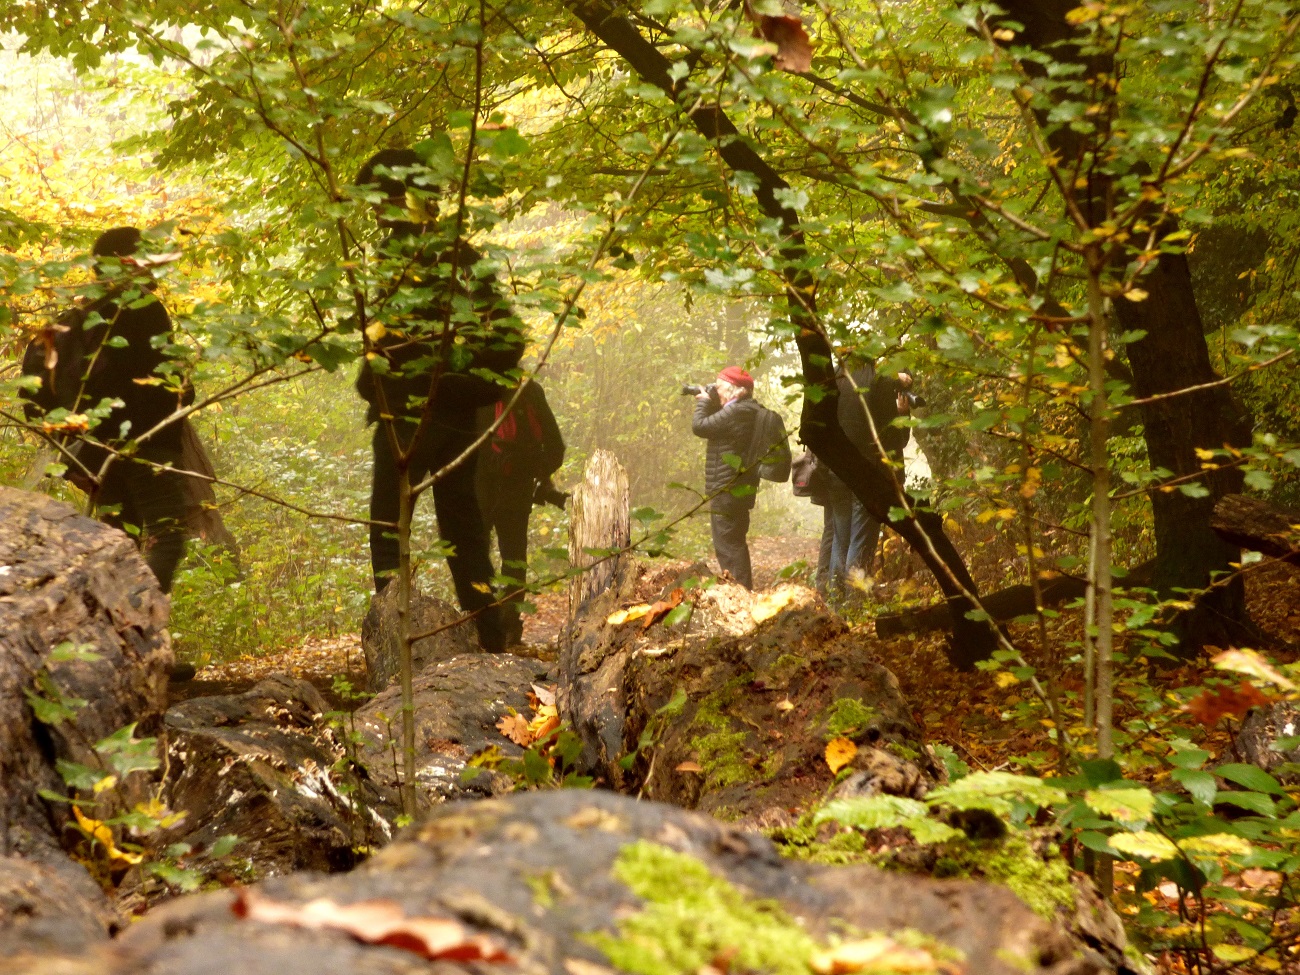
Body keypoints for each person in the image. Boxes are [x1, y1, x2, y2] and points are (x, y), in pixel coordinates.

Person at [354, 147, 525, 652]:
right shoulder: (463, 254)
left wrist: (391, 378)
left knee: (390, 522)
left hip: (415, 414)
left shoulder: (405, 256)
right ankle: (489, 629)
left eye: (379, 200)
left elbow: (394, 342)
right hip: (449, 413)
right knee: (462, 523)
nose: (374, 212)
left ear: (404, 196)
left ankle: (395, 632)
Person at [21, 227, 191, 592]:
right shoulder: (142, 307)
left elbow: (40, 397)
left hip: (97, 451)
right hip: (146, 445)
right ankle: (140, 625)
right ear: (129, 261)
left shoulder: (82, 313)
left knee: (118, 544)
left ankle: (113, 632)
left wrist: (77, 455)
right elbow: (165, 383)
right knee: (168, 533)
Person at [476, 377, 566, 646]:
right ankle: (507, 626)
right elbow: (555, 447)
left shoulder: (478, 389)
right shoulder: (530, 390)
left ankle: (487, 624)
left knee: (482, 555)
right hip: (512, 486)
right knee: (513, 556)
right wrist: (537, 473)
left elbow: (555, 447)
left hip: (485, 486)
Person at [691, 365, 766, 589]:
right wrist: (714, 402)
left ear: (735, 390)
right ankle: (742, 591)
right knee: (733, 543)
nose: (717, 390)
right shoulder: (743, 410)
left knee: (729, 545)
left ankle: (741, 593)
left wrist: (704, 402)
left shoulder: (737, 412)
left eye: (720, 387)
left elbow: (700, 426)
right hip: (735, 486)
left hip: (728, 487)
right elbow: (719, 426)